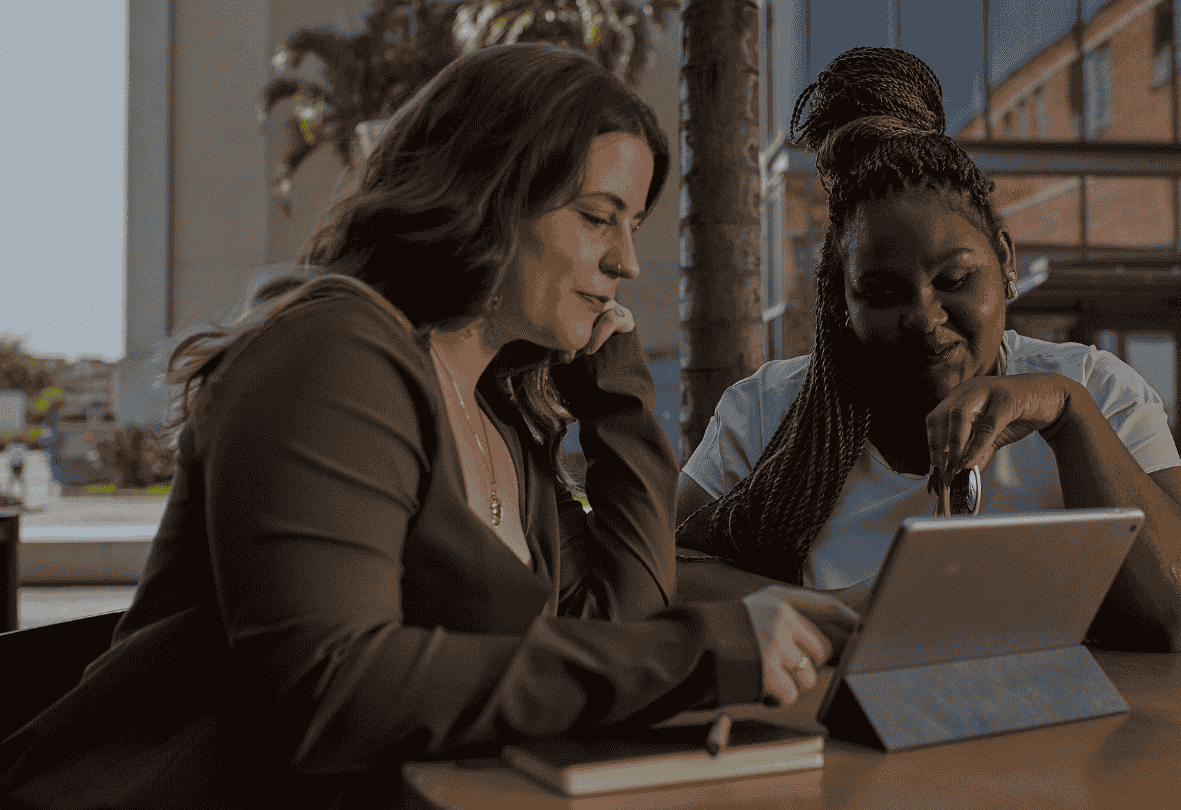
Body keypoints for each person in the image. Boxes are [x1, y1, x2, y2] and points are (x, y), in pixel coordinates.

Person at [0, 44, 854, 810]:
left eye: (632, 226)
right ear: (490, 193)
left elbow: (615, 627)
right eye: (598, 217)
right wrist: (701, 653)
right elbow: (331, 693)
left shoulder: (502, 416)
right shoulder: (334, 353)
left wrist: (616, 400)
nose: (626, 261)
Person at [675, 47, 1181, 653]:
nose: (924, 318)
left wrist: (1070, 418)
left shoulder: (1093, 388)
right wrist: (844, 614)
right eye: (882, 294)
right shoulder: (766, 410)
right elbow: (658, 575)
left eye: (955, 280)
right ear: (842, 300)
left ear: (1005, 260)